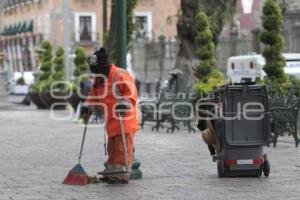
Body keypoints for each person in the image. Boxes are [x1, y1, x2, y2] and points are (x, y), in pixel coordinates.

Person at [81, 48, 139, 184]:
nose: (97, 74)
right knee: (112, 148)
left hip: (124, 119)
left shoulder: (121, 74)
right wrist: (87, 107)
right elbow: (94, 95)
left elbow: (131, 92)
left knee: (122, 148)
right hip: (111, 120)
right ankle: (112, 171)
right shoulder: (99, 78)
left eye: (98, 71)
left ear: (105, 65)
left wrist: (124, 104)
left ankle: (122, 172)